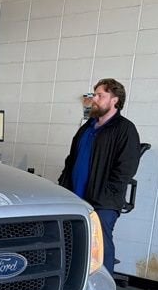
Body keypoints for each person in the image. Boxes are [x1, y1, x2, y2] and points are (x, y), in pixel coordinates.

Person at [58, 78, 141, 277]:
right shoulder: (87, 127)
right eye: (94, 94)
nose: (94, 99)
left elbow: (126, 168)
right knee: (72, 242)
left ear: (115, 100)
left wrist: (107, 194)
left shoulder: (125, 129)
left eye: (100, 95)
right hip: (76, 196)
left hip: (103, 201)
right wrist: (62, 185)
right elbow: (72, 159)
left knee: (101, 245)